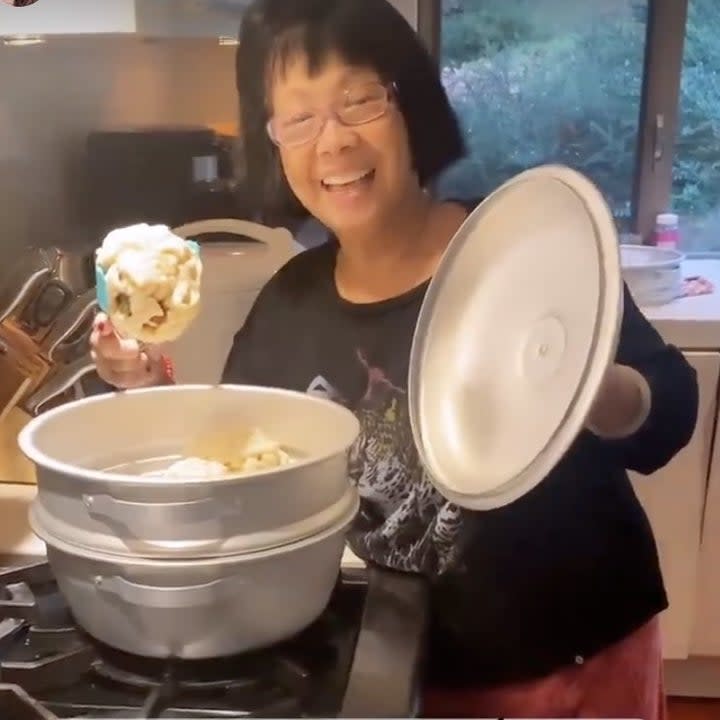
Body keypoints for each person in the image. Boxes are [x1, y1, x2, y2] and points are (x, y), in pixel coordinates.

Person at [90, 0, 699, 717]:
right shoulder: (287, 304)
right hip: (409, 675)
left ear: (410, 104)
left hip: (577, 670)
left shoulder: (521, 253)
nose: (334, 142)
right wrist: (149, 375)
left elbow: (671, 410)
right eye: (300, 117)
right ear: (273, 140)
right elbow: (237, 461)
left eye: (358, 100)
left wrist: (593, 391)